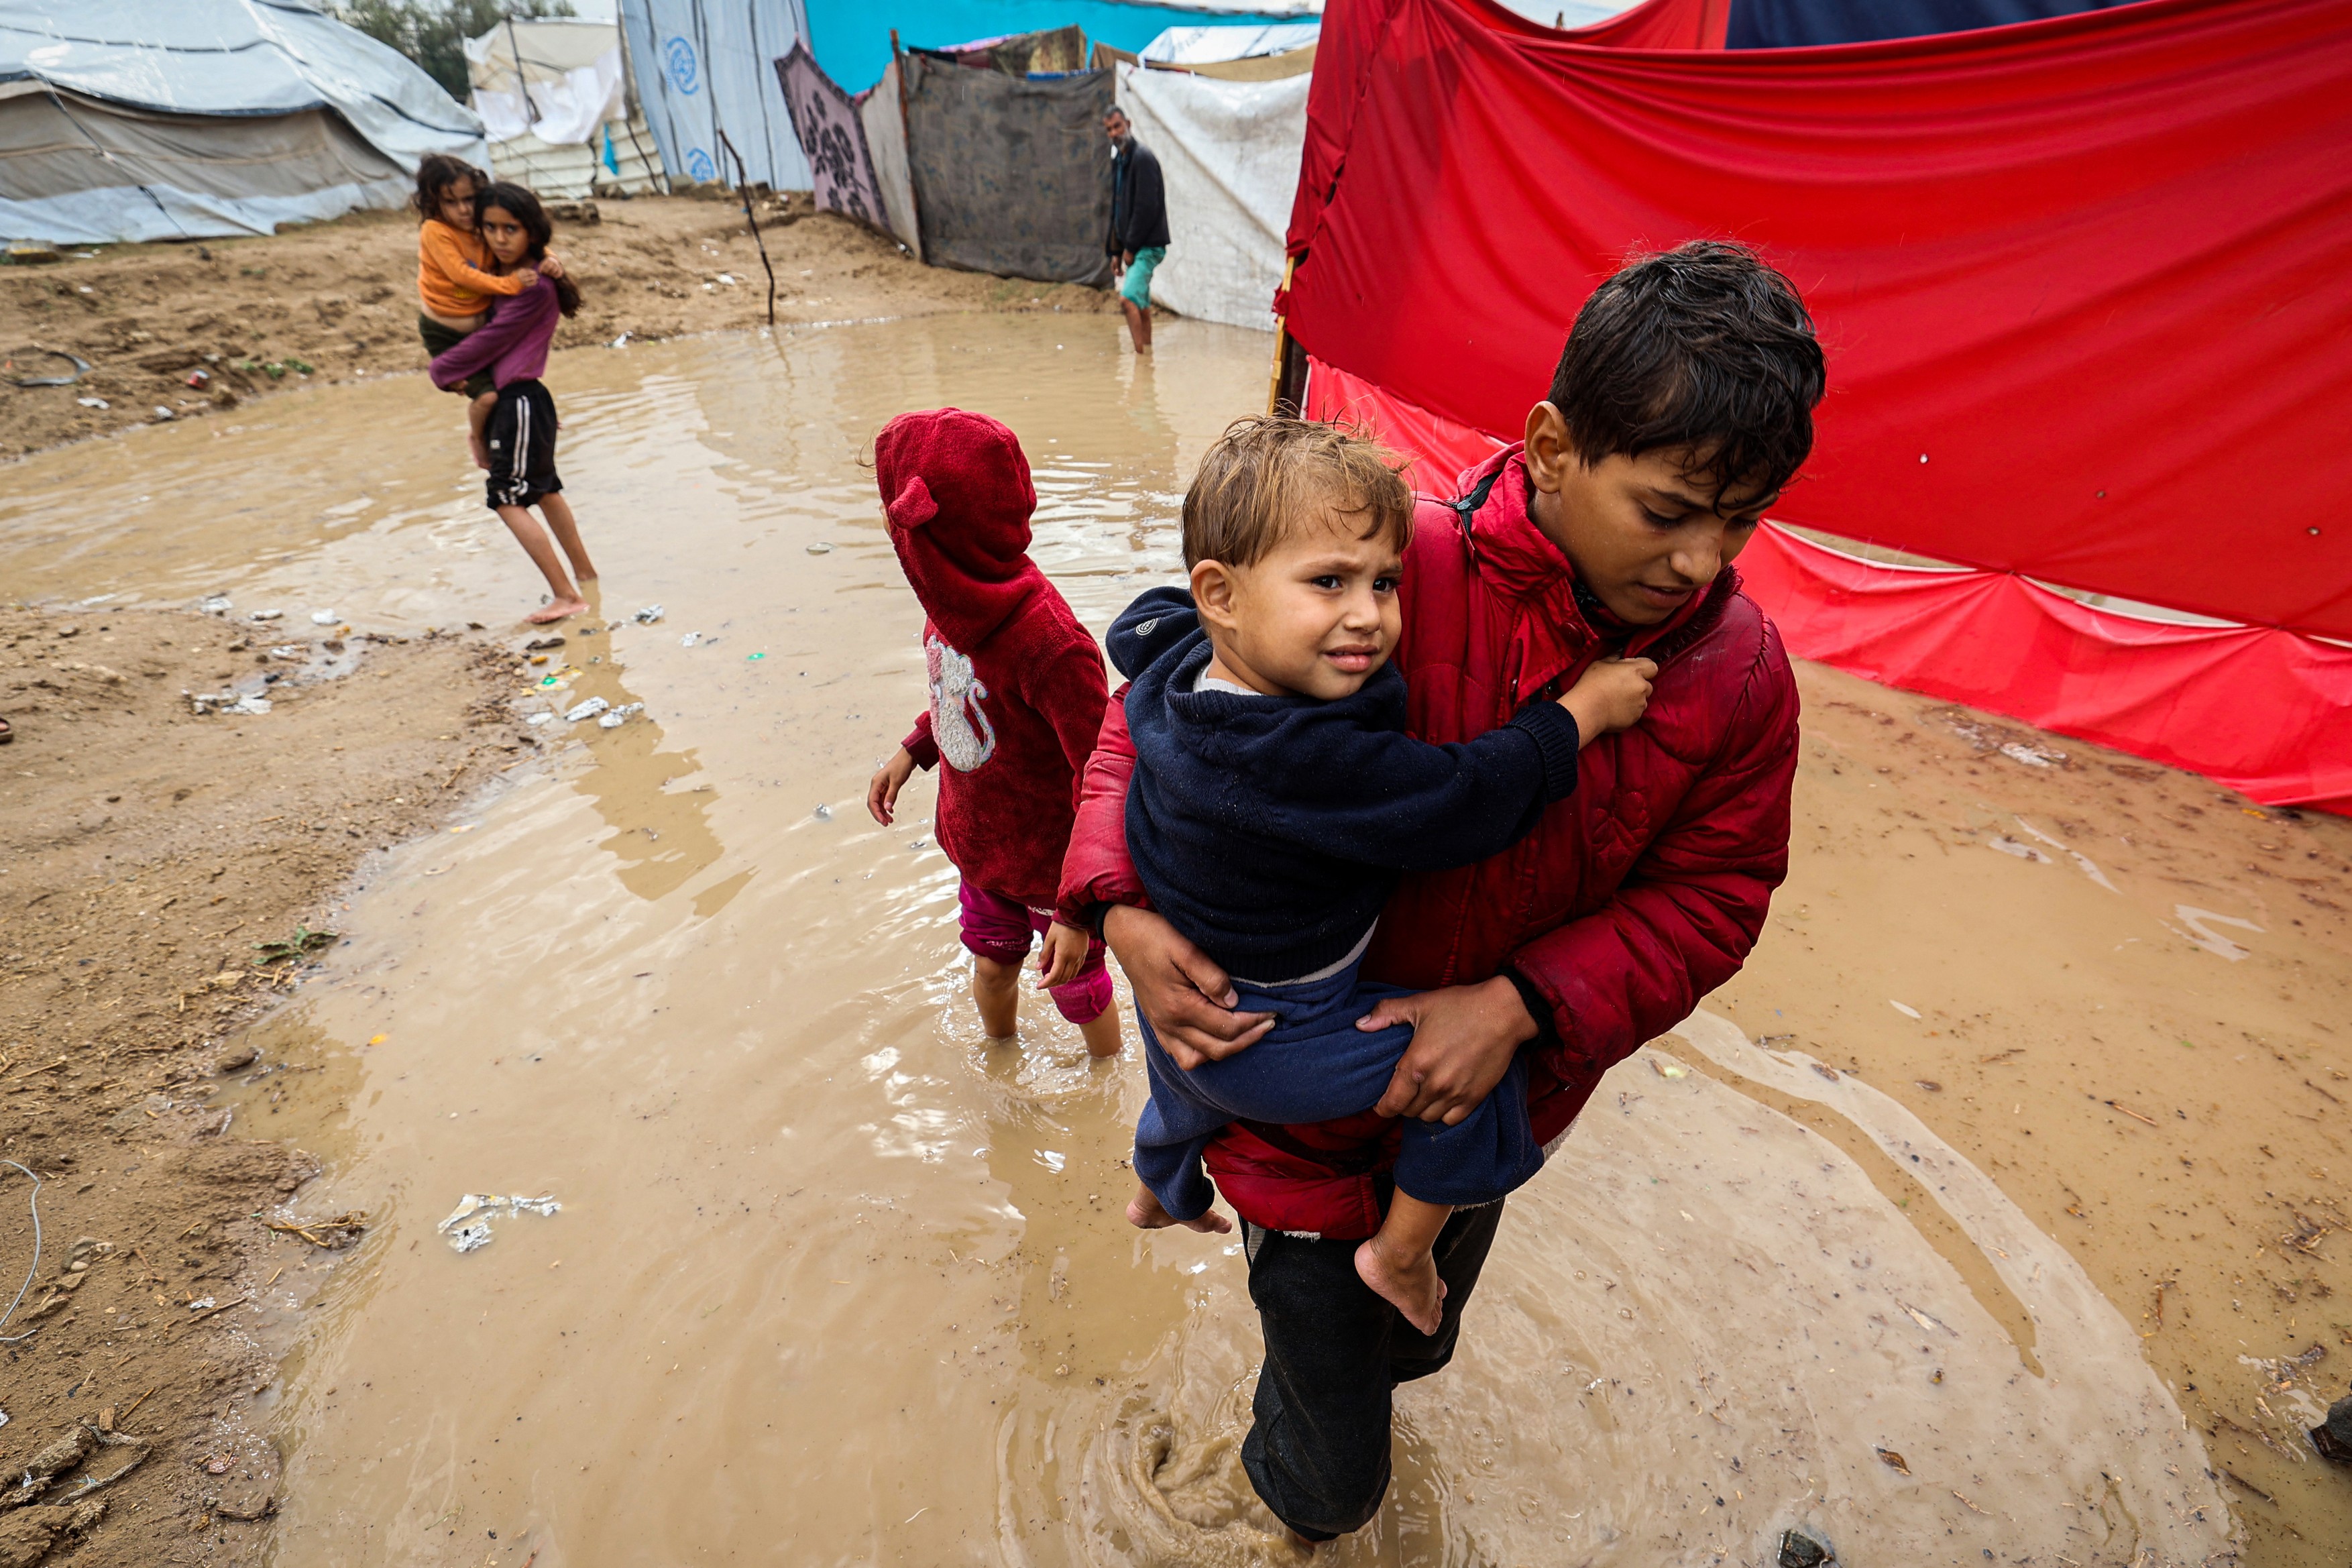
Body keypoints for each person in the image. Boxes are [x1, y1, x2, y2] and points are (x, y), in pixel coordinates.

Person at [1057, 240, 1822, 1541]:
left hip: (1493, 1106)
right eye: (1667, 509)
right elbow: (1160, 704)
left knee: (1411, 1337)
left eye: (1738, 520)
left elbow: (1716, 893)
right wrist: (1114, 898)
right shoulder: (1380, 567)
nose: (1702, 562)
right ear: (1550, 446)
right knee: (1327, 1428)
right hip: (1296, 1113)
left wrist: (1523, 1002)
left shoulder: (1738, 677)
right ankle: (1301, 1503)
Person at [1097, 417, 1658, 1333]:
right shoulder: (1294, 756)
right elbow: (1461, 798)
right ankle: (1395, 1256)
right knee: (1470, 1078)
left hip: (1181, 997)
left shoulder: (1176, 658)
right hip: (1276, 1030)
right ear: (1221, 594)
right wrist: (1582, 712)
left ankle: (1157, 1187)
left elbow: (1138, 626)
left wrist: (1106, 905)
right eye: (1328, 582)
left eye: (1386, 582)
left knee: (1179, 1081)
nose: (1368, 614)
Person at [864, 409, 1125, 1059]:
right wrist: (914, 748)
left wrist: (1074, 910)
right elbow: (963, 697)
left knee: (1077, 987)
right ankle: (1001, 1062)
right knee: (990, 967)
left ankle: (1103, 1088)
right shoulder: (947, 606)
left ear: (925, 532)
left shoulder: (1051, 647)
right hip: (982, 850)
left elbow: (1103, 777)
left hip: (1053, 870)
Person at [430, 183, 596, 627]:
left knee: (505, 498)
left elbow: (489, 342)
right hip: (527, 402)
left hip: (520, 400)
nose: (500, 238)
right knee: (544, 490)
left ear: (531, 232)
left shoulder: (531, 288)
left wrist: (441, 371)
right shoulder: (517, 278)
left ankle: (567, 596)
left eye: (511, 229)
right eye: (490, 228)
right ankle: (586, 578)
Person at [410, 154, 563, 470]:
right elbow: (461, 275)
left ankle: (532, 427)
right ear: (434, 204)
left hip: (481, 327)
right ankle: (479, 440)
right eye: (451, 202)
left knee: (509, 382)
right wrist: (510, 284)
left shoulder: (480, 227)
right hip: (446, 333)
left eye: (469, 199)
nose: (463, 210)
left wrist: (549, 258)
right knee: (488, 397)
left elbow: (519, 232)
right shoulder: (436, 231)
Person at [1103, 107, 1169, 355]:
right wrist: (1115, 252)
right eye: (1109, 129)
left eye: (1118, 126)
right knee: (1141, 303)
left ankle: (1141, 362)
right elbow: (1117, 207)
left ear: (1128, 124)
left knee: (1127, 298)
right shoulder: (1120, 160)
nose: (1114, 133)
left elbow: (1146, 208)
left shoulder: (1143, 158)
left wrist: (1130, 248)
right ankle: (1148, 353)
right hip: (1133, 245)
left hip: (1147, 245)